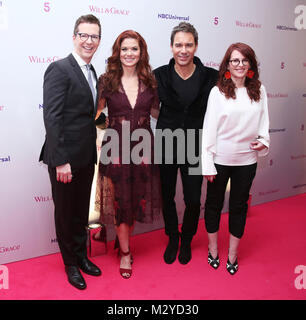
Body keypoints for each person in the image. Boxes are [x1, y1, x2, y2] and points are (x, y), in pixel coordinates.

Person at [39, 14, 103, 290]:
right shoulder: (59, 69)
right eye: (84, 35)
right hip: (64, 159)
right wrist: (61, 161)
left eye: (95, 36)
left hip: (87, 157)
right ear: (74, 37)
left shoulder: (93, 72)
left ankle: (81, 257)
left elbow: (87, 115)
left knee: (79, 211)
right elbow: (52, 118)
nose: (89, 41)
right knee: (65, 213)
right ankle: (70, 265)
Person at [95, 30, 161, 279]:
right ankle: (125, 252)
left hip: (143, 150)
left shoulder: (151, 82)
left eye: (134, 49)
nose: (129, 53)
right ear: (117, 52)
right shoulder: (107, 81)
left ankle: (121, 242)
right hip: (116, 151)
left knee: (134, 203)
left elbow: (156, 114)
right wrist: (108, 130)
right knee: (121, 202)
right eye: (124, 49)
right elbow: (96, 113)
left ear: (141, 52)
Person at [202, 42, 270, 275]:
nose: (240, 65)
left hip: (247, 161)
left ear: (250, 64)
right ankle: (213, 250)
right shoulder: (217, 91)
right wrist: (208, 163)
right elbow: (209, 130)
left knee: (238, 207)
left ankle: (232, 254)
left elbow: (264, 126)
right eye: (235, 61)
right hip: (219, 160)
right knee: (213, 205)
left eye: (244, 60)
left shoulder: (259, 90)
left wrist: (264, 142)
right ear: (227, 65)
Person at [154, 22, 218, 265]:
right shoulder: (158, 75)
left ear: (196, 46)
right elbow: (150, 108)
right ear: (171, 47)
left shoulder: (211, 77)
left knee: (192, 199)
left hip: (194, 146)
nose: (183, 49)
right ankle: (172, 236)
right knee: (167, 195)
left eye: (188, 44)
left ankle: (187, 238)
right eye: (178, 44)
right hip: (167, 144)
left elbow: (230, 100)